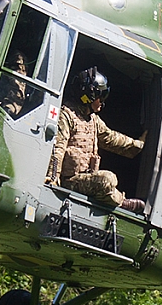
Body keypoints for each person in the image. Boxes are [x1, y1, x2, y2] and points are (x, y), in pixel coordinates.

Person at [47, 67, 147, 213]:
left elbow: (111, 138)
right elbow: (58, 149)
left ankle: (119, 199)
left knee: (108, 179)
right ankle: (122, 202)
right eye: (101, 97)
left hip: (86, 177)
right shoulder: (67, 115)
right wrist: (52, 178)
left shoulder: (93, 120)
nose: (102, 102)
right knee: (108, 179)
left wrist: (138, 145)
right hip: (69, 182)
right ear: (89, 96)